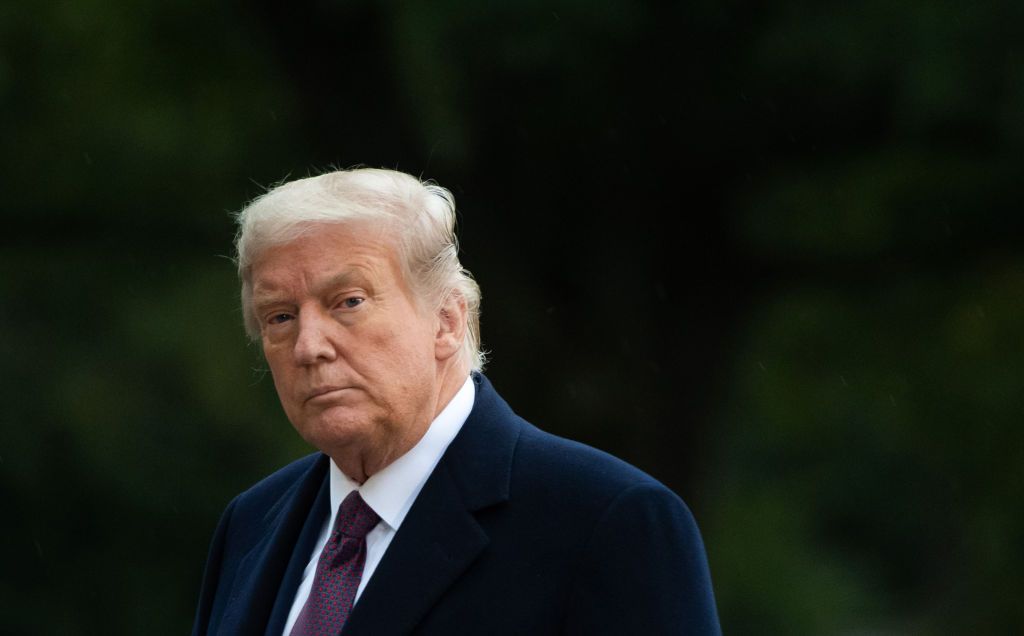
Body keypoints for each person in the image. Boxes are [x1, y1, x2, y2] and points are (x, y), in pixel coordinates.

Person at [192, 167, 721, 635]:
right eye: (280, 317)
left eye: (348, 302)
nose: (308, 346)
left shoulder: (608, 521)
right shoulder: (252, 522)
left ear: (447, 320)